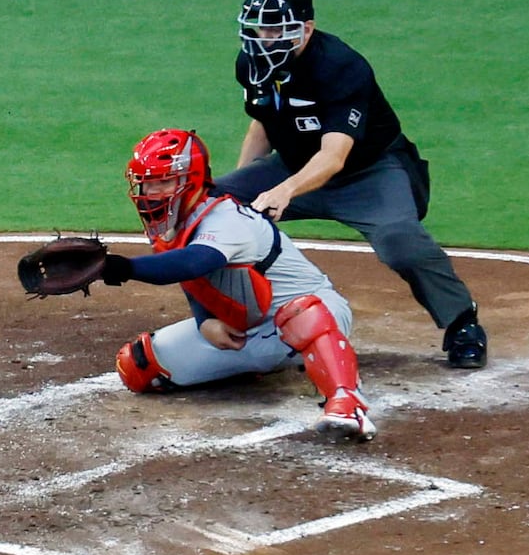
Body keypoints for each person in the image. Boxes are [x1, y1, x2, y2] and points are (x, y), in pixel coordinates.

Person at [215, 0, 487, 369]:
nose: (265, 40)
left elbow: (334, 157)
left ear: (305, 29)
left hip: (368, 173)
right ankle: (236, 314)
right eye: (260, 29)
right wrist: (239, 198)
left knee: (399, 241)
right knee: (216, 206)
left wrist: (284, 191)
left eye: (277, 30)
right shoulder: (252, 64)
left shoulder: (340, 66)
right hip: (293, 165)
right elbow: (262, 126)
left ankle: (462, 324)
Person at [100, 128, 376, 441]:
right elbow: (193, 279)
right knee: (138, 366)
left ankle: (347, 402)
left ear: (191, 180)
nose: (152, 190)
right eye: (147, 181)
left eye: (164, 181)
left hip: (317, 319)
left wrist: (118, 267)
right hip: (251, 330)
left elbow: (194, 262)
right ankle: (256, 363)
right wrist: (205, 321)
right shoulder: (169, 224)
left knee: (301, 312)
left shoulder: (226, 218)